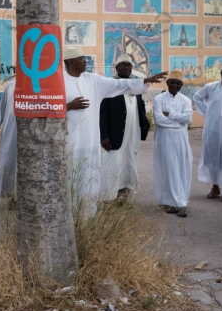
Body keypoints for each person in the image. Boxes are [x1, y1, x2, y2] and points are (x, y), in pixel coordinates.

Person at [64, 46, 167, 203]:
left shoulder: (92, 79)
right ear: (71, 61)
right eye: (82, 59)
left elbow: (118, 85)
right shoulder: (59, 82)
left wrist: (146, 80)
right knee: (72, 172)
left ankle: (89, 210)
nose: (86, 62)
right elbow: (49, 107)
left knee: (90, 173)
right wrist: (69, 106)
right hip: (71, 139)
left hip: (90, 140)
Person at [99, 54, 150, 201]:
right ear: (116, 68)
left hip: (133, 132)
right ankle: (107, 197)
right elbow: (102, 114)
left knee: (130, 160)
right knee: (113, 162)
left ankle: (124, 193)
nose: (127, 68)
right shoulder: (110, 86)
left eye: (129, 65)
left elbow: (140, 107)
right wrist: (104, 136)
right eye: (123, 65)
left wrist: (144, 125)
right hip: (115, 133)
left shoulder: (135, 87)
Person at [193, 62, 222, 206]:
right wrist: (207, 112)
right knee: (213, 158)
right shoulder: (211, 87)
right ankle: (215, 187)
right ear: (221, 75)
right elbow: (196, 97)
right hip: (212, 129)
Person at [153, 71, 193, 218]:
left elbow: (188, 119)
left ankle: (182, 203)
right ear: (167, 83)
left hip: (181, 141)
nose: (175, 85)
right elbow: (158, 120)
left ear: (181, 85)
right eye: (172, 82)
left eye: (178, 83)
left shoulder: (186, 100)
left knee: (182, 170)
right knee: (168, 169)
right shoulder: (159, 98)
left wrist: (169, 114)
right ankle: (169, 201)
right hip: (164, 140)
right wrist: (178, 122)